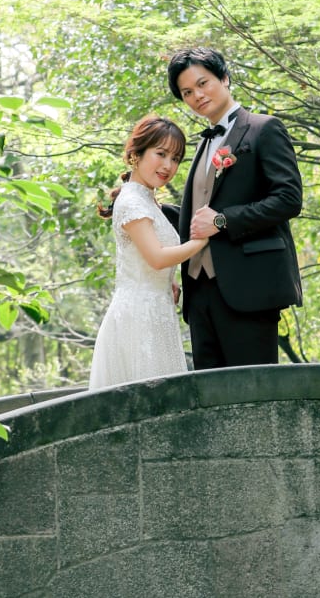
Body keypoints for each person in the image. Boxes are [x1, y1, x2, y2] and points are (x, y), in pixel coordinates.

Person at [167, 46, 303, 369]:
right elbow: (199, 213)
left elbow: (289, 198)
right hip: (199, 292)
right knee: (212, 402)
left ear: (225, 78)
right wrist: (143, 204)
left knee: (254, 397)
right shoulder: (203, 144)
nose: (197, 95)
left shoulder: (263, 129)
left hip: (249, 289)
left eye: (203, 83)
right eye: (187, 92)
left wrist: (224, 221)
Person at [88, 115, 207, 390]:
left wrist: (170, 279)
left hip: (156, 310)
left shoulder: (146, 198)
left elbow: (148, 255)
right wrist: (204, 239)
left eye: (175, 159)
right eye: (161, 154)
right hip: (138, 319)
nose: (168, 166)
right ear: (135, 155)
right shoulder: (131, 200)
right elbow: (156, 257)